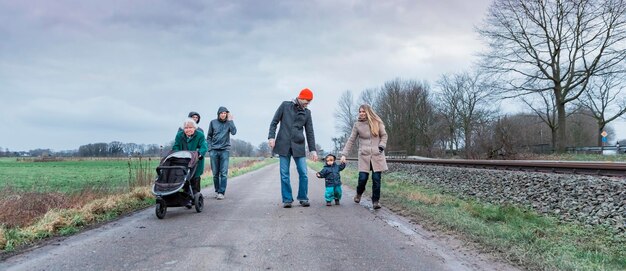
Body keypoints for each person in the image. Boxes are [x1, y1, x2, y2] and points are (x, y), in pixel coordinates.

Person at [268, 88, 318, 208]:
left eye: (310, 101)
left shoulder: (307, 113)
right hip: (283, 144)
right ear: (300, 97)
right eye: (307, 100)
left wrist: (313, 150)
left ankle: (303, 197)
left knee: (303, 173)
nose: (308, 103)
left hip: (298, 146)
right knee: (284, 173)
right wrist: (271, 137)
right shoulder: (285, 106)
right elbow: (274, 122)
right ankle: (287, 199)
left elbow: (310, 132)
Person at [340, 104, 388, 209]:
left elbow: (384, 135)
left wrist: (381, 146)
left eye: (363, 111)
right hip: (364, 156)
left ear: (368, 112)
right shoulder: (357, 125)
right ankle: (359, 193)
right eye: (360, 111)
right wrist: (344, 154)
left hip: (377, 154)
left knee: (376, 179)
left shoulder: (377, 122)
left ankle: (376, 201)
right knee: (362, 178)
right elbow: (351, 139)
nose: (361, 113)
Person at [173, 118, 208, 206]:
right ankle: (187, 198)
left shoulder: (200, 135)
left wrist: (200, 154)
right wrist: (177, 154)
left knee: (195, 179)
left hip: (196, 160)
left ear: (194, 128)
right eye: (186, 128)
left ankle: (195, 196)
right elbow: (176, 146)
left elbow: (204, 146)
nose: (188, 129)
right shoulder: (179, 135)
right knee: (184, 178)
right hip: (183, 161)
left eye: (190, 127)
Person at [206, 106, 237, 200]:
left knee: (223, 173)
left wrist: (231, 121)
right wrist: (210, 149)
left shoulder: (229, 123)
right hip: (214, 150)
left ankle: (221, 192)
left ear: (227, 114)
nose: (223, 115)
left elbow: (234, 132)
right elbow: (209, 137)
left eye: (225, 113)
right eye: (222, 113)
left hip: (224, 150)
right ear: (218, 114)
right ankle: (217, 190)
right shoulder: (213, 122)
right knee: (215, 173)